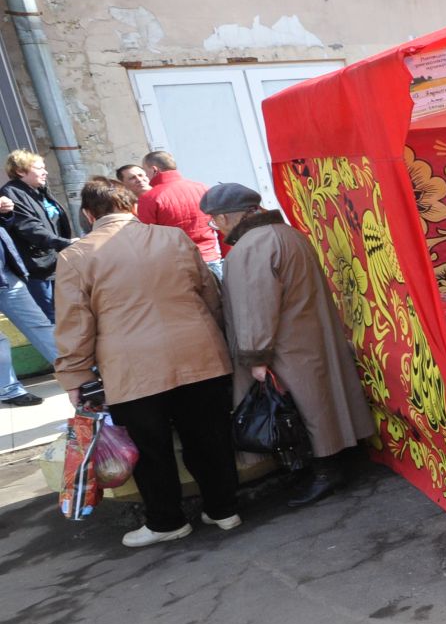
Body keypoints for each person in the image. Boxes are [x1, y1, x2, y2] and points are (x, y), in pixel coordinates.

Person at [55, 177, 240, 548]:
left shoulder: (76, 256)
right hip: (198, 351)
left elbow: (75, 324)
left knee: (149, 447)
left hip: (132, 367)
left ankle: (167, 520)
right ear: (133, 208)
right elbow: (210, 294)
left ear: (89, 215)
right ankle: (223, 510)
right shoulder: (173, 238)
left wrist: (74, 376)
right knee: (209, 436)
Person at [200, 183, 373, 506]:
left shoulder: (251, 246)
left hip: (285, 344)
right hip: (308, 333)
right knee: (321, 401)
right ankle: (329, 463)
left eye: (214, 220)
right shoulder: (288, 234)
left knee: (302, 409)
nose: (215, 227)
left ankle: (324, 471)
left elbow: (257, 307)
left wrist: (256, 355)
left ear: (226, 216)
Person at [0, 198, 60, 406]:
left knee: (39, 324)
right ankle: (8, 389)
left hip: (5, 273)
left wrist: (5, 214)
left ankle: (73, 370)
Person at [1, 149, 73, 320]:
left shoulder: (40, 190)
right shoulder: (11, 193)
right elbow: (29, 228)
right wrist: (65, 243)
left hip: (55, 261)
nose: (45, 172)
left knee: (67, 312)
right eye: (39, 168)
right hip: (36, 267)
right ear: (20, 171)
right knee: (51, 316)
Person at [135, 150, 223, 278]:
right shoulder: (203, 188)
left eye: (145, 171)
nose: (145, 177)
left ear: (154, 170)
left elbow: (148, 240)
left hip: (177, 264)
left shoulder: (149, 198)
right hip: (211, 257)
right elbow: (222, 225)